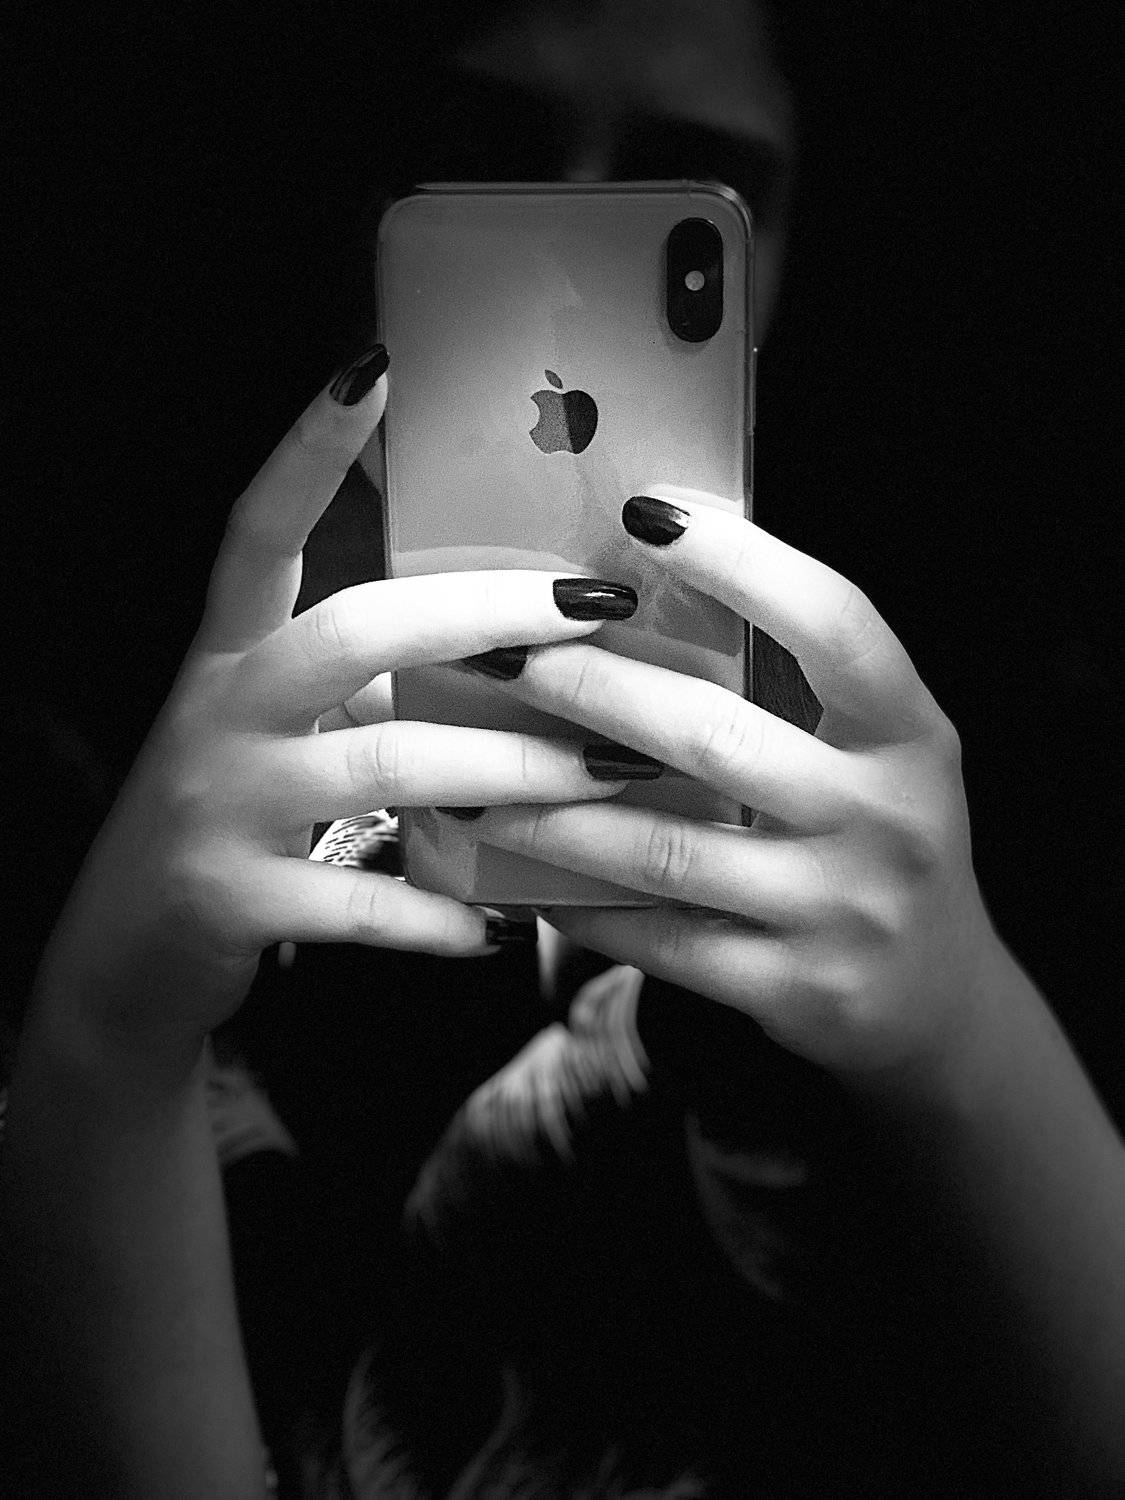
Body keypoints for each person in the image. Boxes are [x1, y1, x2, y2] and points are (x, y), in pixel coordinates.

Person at [2, 2, 1122, 1495]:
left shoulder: (947, 738)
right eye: (488, 151)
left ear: (791, 239)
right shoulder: (84, 712)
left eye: (687, 179)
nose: (571, 243)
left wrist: (964, 1030)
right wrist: (108, 1039)